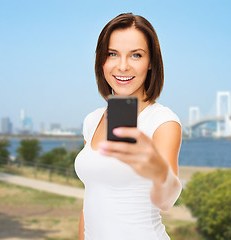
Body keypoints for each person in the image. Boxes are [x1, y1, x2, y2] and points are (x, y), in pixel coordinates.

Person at [75, 13, 183, 240]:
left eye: (136, 55)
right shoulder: (91, 121)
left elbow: (167, 200)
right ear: (101, 61)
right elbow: (91, 200)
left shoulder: (163, 122)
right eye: (112, 54)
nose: (122, 66)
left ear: (151, 62)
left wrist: (158, 169)